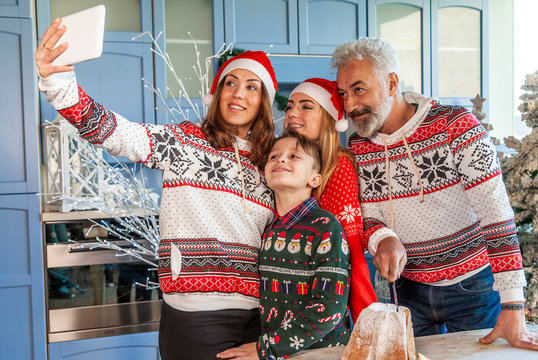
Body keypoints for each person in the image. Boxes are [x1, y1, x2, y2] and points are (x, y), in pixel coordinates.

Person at [36, 19, 277, 359]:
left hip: (260, 316)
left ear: (263, 99)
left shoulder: (274, 161)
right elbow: (115, 132)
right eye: (231, 83)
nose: (239, 93)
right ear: (218, 92)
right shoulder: (183, 142)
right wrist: (58, 81)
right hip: (195, 314)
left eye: (252, 86)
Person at [331, 37, 538, 350]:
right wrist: (384, 238)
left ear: (391, 83)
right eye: (344, 94)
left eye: (359, 89)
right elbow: (369, 214)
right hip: (406, 289)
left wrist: (513, 305)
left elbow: (495, 213)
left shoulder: (455, 125)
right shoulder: (360, 145)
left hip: (474, 288)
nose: (349, 105)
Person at [217, 129, 350, 359]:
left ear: (314, 179)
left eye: (294, 156)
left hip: (322, 352)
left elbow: (330, 308)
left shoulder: (325, 226)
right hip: (279, 353)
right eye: (274, 156)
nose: (281, 159)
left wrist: (266, 348)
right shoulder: (268, 229)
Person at [283, 78, 376, 321]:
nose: (292, 113)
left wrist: (368, 319)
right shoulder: (279, 162)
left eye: (306, 106)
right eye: (290, 106)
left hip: (319, 299)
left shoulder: (338, 166)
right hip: (281, 290)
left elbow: (349, 247)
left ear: (330, 118)